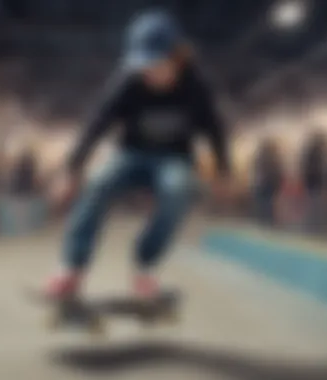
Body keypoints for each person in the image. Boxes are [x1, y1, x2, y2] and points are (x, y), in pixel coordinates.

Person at [43, 10, 231, 299]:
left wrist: (223, 171)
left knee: (178, 189)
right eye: (144, 66)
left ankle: (144, 266)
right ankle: (72, 268)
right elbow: (97, 123)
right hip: (130, 153)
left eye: (156, 65)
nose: (149, 73)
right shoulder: (128, 81)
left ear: (176, 57)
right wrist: (71, 169)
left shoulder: (196, 87)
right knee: (98, 183)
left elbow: (215, 130)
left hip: (174, 158)